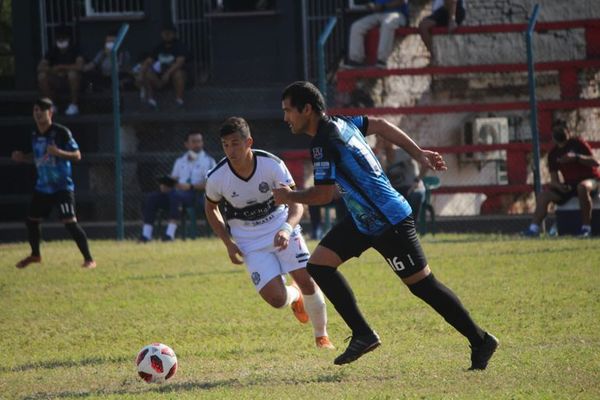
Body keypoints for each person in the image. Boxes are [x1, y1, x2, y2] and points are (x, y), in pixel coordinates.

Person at [274, 81, 498, 368]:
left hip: (388, 220)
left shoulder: (323, 141)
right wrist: (418, 152)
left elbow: (323, 194)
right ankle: (363, 334)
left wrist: (288, 195)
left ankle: (481, 340)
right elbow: (379, 124)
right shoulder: (342, 123)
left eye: (288, 111)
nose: (285, 119)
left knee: (423, 286)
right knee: (318, 265)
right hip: (364, 220)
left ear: (307, 109)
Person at [204, 116, 334, 350]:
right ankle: (294, 296)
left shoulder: (271, 165)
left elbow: (296, 203)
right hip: (249, 241)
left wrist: (286, 228)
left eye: (235, 143)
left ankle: (321, 337)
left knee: (307, 279)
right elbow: (211, 207)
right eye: (225, 144)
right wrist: (228, 243)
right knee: (276, 300)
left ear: (248, 142)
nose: (230, 150)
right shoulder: (217, 177)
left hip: (281, 226)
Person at [11, 98, 96, 269]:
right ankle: (35, 255)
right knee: (32, 220)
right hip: (42, 187)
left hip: (61, 186)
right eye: (35, 110)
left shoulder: (61, 132)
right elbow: (37, 158)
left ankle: (89, 259)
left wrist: (58, 152)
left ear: (50, 113)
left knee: (70, 222)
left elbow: (77, 155)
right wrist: (22, 158)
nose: (38, 113)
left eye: (41, 110)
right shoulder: (33, 133)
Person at [522, 119, 600, 238]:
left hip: (591, 180)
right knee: (544, 196)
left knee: (582, 187)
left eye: (561, 129)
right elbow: (554, 180)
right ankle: (533, 229)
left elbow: (595, 163)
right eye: (555, 130)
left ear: (568, 131)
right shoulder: (553, 154)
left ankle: (586, 228)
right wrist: (559, 186)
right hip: (570, 185)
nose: (558, 132)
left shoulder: (578, 144)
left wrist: (576, 157)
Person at [140, 131, 216, 242]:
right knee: (152, 197)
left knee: (176, 196)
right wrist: (166, 185)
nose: (197, 144)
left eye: (199, 141)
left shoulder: (209, 161)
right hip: (176, 194)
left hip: (196, 195)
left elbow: (211, 184)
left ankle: (169, 235)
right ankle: (146, 235)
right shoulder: (180, 161)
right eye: (194, 142)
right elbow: (174, 178)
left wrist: (190, 186)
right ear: (187, 144)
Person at [343, 0, 410, 69]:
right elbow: (373, 4)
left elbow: (401, 1)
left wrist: (383, 6)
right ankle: (355, 61)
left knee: (387, 24)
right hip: (379, 14)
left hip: (397, 14)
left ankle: (382, 61)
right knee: (356, 26)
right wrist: (371, 5)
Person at [139, 23, 190, 109]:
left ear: (174, 34)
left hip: (173, 75)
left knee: (178, 73)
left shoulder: (180, 46)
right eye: (164, 33)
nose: (166, 35)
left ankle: (179, 101)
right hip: (160, 75)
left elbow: (180, 62)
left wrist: (168, 73)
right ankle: (151, 101)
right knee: (147, 72)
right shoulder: (159, 47)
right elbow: (148, 61)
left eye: (169, 33)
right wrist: (140, 74)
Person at [37, 27, 85, 116]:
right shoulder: (52, 51)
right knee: (42, 76)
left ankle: (74, 105)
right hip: (57, 80)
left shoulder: (76, 50)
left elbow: (80, 66)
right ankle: (51, 105)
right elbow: (40, 67)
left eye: (64, 38)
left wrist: (63, 67)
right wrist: (53, 70)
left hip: (73, 81)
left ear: (68, 39)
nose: (61, 41)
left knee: (72, 74)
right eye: (59, 38)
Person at [385, 143, 427, 220]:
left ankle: (412, 226)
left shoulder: (404, 152)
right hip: (395, 191)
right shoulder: (378, 157)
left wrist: (417, 181)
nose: (377, 139)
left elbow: (426, 163)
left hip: (412, 188)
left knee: (416, 195)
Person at [418, 0, 467, 64]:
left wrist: (452, 19)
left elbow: (452, 2)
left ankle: (434, 56)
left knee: (424, 25)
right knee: (423, 26)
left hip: (454, 10)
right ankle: (433, 56)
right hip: (441, 11)